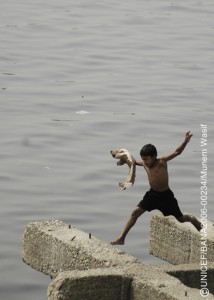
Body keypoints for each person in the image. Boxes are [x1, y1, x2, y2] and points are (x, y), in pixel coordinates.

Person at [110, 131, 202, 246]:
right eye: (143, 159)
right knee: (135, 213)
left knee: (181, 219)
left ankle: (194, 221)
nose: (144, 162)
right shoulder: (144, 163)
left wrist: (185, 141)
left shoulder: (162, 162)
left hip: (166, 196)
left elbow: (177, 152)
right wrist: (124, 159)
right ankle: (121, 238)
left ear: (154, 157)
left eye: (147, 159)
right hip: (152, 195)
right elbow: (133, 162)